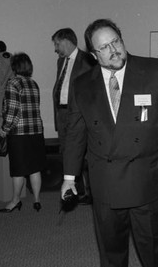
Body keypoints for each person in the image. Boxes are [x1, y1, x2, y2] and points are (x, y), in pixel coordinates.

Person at [60, 19, 158, 267]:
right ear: (94, 55)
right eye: (104, 47)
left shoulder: (154, 70)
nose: (113, 49)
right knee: (111, 252)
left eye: (115, 41)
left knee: (156, 253)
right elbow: (75, 133)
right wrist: (69, 178)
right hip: (106, 181)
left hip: (147, 179)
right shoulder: (82, 85)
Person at [52, 28, 96, 204]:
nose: (55, 48)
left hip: (79, 114)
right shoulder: (60, 61)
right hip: (62, 114)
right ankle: (76, 188)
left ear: (66, 41)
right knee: (68, 151)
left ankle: (92, 192)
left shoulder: (87, 60)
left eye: (57, 43)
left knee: (85, 153)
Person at [0, 52, 46, 213]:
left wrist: (4, 130)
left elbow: (13, 111)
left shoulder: (13, 83)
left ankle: (15, 201)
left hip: (19, 134)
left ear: (14, 67)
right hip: (36, 132)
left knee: (18, 170)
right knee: (34, 168)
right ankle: (37, 200)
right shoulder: (34, 84)